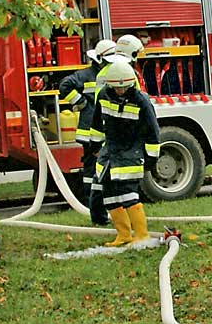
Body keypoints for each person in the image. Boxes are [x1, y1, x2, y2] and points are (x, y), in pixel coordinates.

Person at [92, 59, 157, 248]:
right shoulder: (104, 95)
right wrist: (94, 147)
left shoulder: (141, 100)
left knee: (129, 194)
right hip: (109, 153)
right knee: (110, 196)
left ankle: (142, 235)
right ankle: (123, 235)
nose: (120, 91)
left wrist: (151, 159)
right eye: (116, 88)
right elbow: (96, 124)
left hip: (131, 152)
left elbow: (153, 131)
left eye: (124, 88)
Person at [55, 40, 119, 226]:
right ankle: (91, 204)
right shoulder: (86, 74)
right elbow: (64, 84)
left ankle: (98, 203)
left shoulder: (96, 74)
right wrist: (80, 102)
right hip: (92, 133)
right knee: (93, 171)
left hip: (96, 132)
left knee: (97, 169)